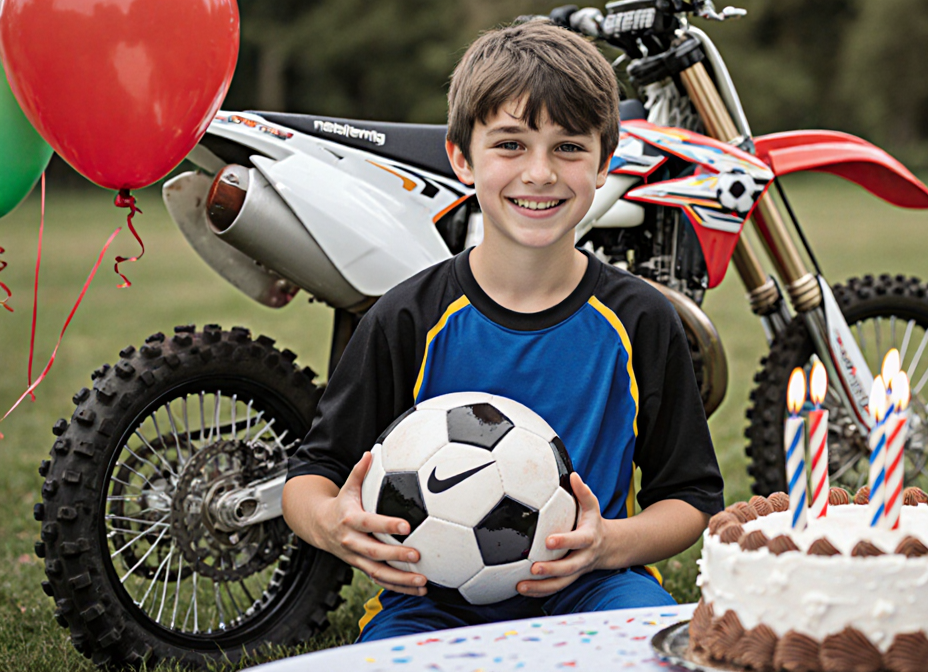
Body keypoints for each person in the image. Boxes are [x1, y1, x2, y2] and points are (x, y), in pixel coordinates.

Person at [281, 19, 724, 641]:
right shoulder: (407, 317)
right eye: (510, 145)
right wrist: (331, 522)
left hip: (593, 587)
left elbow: (690, 498)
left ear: (604, 163)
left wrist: (605, 545)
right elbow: (312, 475)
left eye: (569, 147)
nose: (539, 173)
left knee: (649, 646)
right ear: (462, 158)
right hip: (430, 598)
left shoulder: (641, 318)